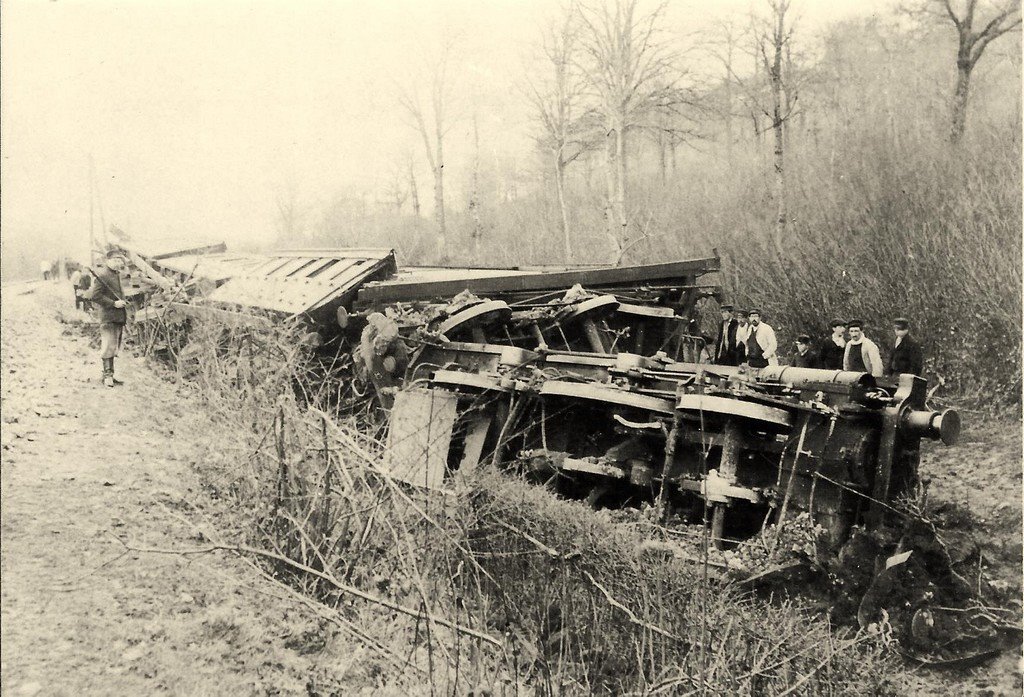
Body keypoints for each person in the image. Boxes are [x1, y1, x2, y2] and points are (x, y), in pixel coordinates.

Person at [83, 250, 129, 387]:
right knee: (108, 346)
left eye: (120, 260)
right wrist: (113, 303)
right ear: (108, 261)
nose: (118, 262)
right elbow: (95, 296)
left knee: (114, 347)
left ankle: (110, 375)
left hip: (118, 316)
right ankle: (107, 376)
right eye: (115, 260)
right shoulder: (102, 275)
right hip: (108, 317)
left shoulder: (116, 275)